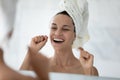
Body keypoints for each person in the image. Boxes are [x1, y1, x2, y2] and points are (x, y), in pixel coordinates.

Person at [20, 0, 99, 76]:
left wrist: (87, 72)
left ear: (75, 35)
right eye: (54, 27)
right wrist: (31, 52)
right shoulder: (38, 68)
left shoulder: (89, 69)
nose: (57, 33)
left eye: (65, 29)